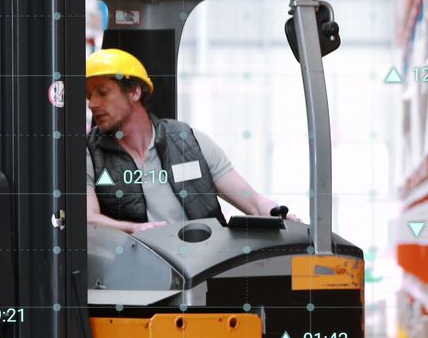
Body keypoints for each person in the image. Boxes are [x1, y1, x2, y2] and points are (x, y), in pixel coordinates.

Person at [85, 48, 298, 234]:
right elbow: (87, 219)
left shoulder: (190, 142)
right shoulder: (88, 154)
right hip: (136, 273)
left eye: (102, 93)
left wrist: (277, 215)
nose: (92, 104)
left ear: (134, 92)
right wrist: (133, 230)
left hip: (204, 269)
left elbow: (253, 203)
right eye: (88, 96)